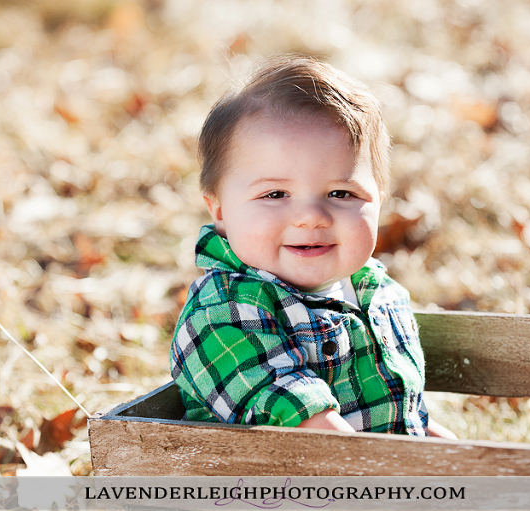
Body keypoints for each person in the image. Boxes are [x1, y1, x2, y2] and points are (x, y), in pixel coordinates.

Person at [170, 55, 454, 438]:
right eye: (275, 193)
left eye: (340, 192)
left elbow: (404, 416)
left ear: (378, 201)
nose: (311, 216)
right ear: (219, 210)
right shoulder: (223, 309)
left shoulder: (377, 292)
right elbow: (310, 426)